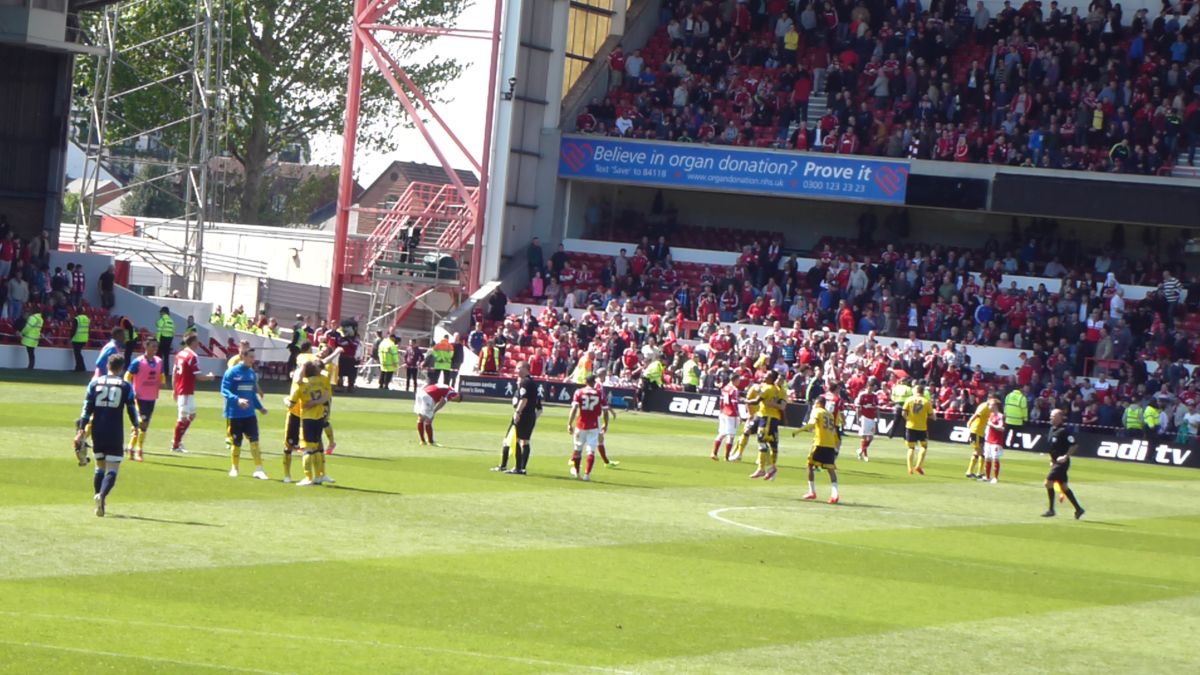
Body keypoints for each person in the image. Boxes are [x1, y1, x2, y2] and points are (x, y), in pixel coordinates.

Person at [74, 355, 142, 517]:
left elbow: (87, 407)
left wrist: (82, 428)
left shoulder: (95, 383)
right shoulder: (125, 386)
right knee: (113, 468)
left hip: (97, 429)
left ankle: (100, 503)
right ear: (121, 368)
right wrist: (136, 425)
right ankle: (101, 496)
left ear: (108, 366)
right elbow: (131, 407)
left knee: (99, 466)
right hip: (114, 430)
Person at [222, 347, 269, 479]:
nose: (253, 360)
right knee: (236, 442)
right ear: (243, 356)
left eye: (254, 357)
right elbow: (224, 390)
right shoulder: (231, 372)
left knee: (255, 441)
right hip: (235, 414)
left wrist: (260, 407)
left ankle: (259, 469)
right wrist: (237, 400)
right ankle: (234, 468)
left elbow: (252, 394)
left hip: (249, 414)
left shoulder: (251, 374)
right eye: (251, 357)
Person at [283, 360, 330, 486]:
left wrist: (285, 401)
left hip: (307, 418)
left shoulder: (301, 386)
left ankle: (308, 477)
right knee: (316, 447)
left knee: (307, 449)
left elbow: (291, 403)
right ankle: (319, 475)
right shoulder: (320, 382)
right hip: (319, 416)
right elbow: (326, 396)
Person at [171, 334, 214, 453]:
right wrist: (210, 377)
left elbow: (174, 372)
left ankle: (178, 441)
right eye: (197, 341)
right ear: (192, 342)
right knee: (183, 418)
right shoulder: (192, 356)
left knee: (192, 415)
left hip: (184, 390)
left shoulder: (180, 354)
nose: (198, 343)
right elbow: (199, 376)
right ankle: (175, 444)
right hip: (185, 390)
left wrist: (174, 389)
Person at [794, 395, 841, 504]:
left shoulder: (817, 411)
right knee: (831, 470)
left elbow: (811, 425)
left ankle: (812, 492)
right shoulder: (830, 414)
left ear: (819, 403)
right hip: (830, 445)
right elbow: (834, 432)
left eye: (815, 402)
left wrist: (799, 430)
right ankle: (835, 494)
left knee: (809, 465)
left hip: (820, 443)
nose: (814, 404)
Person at [124, 339, 165, 462]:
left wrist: (162, 382)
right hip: (139, 397)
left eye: (156, 347)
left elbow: (161, 375)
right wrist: (130, 389)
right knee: (141, 422)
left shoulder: (159, 361)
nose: (155, 349)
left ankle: (132, 448)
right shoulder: (138, 362)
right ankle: (137, 450)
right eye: (152, 346)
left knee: (144, 425)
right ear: (146, 347)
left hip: (151, 397)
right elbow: (127, 376)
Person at [1042, 408, 1085, 519]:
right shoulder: (1052, 429)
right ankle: (1078, 509)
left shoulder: (1064, 431)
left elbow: (1074, 445)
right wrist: (1052, 459)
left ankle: (1051, 509)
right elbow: (1052, 447)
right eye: (1051, 416)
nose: (1051, 417)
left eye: (1053, 416)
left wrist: (1066, 456)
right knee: (1063, 486)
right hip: (1056, 462)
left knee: (1048, 483)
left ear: (1060, 418)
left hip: (1062, 463)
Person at [567, 374, 609, 481]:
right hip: (594, 425)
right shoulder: (599, 393)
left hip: (581, 424)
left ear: (585, 381)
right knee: (591, 450)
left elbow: (574, 408)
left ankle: (577, 473)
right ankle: (587, 474)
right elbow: (605, 410)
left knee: (578, 449)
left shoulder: (579, 392)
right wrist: (606, 424)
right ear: (594, 382)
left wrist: (569, 423)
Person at [749, 371, 787, 481]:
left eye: (781, 380)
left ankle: (768, 468)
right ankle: (766, 468)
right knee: (767, 442)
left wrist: (772, 404)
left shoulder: (780, 391)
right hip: (762, 416)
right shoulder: (769, 387)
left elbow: (782, 406)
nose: (779, 381)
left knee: (766, 443)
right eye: (778, 379)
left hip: (769, 418)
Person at [505, 362, 541, 475]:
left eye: (519, 368)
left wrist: (517, 412)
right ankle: (522, 467)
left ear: (526, 369)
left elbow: (524, 400)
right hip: (530, 415)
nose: (517, 370)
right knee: (525, 441)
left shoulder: (525, 382)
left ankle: (518, 467)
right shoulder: (532, 382)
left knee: (515, 439)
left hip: (524, 415)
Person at [414, 381, 460, 446]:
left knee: (421, 418)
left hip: (421, 393)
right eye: (457, 400)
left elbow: (435, 387)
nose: (453, 400)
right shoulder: (453, 393)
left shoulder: (447, 387)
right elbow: (442, 402)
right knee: (429, 419)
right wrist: (434, 411)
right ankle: (430, 442)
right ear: (458, 395)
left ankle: (422, 441)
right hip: (428, 396)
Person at [903, 383, 933, 476]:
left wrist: (908, 420)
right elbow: (932, 415)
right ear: (922, 392)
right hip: (922, 427)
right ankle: (918, 465)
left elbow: (903, 413)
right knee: (924, 446)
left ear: (916, 391)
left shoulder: (909, 399)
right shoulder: (926, 402)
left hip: (910, 426)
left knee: (911, 448)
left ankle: (909, 468)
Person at [713, 372, 743, 461]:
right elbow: (734, 403)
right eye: (739, 380)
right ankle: (727, 457)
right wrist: (738, 415)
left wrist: (721, 410)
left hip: (723, 413)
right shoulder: (734, 390)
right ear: (735, 380)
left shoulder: (725, 388)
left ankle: (714, 453)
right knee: (731, 435)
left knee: (722, 433)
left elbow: (721, 401)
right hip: (731, 414)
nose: (739, 381)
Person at [964, 396, 992, 478]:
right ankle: (972, 472)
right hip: (976, 431)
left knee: (981, 452)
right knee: (978, 452)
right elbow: (976, 415)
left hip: (981, 432)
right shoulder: (984, 406)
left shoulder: (989, 408)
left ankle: (977, 472)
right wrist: (969, 422)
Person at [854, 380, 880, 462]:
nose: (870, 390)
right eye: (869, 388)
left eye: (872, 388)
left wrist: (878, 417)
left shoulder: (874, 396)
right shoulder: (862, 395)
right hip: (864, 417)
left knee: (871, 437)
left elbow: (877, 407)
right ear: (867, 387)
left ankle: (860, 450)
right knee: (864, 436)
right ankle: (865, 454)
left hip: (871, 418)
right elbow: (858, 407)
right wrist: (858, 418)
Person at [982, 398, 1005, 484]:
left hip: (996, 440)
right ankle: (987, 477)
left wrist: (992, 425)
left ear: (995, 406)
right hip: (989, 440)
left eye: (990, 405)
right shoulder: (991, 415)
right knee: (987, 458)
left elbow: (1002, 428)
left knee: (995, 458)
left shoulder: (1000, 416)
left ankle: (995, 477)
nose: (989, 406)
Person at [155, 307, 175, 382]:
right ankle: (166, 374)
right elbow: (173, 332)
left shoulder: (162, 319)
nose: (160, 314)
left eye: (161, 312)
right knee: (166, 357)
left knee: (158, 356)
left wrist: (157, 340)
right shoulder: (171, 321)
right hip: (169, 340)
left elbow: (159, 331)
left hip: (162, 339)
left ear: (163, 312)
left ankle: (157, 372)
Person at [70, 306, 90, 372]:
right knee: (78, 353)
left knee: (77, 354)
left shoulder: (77, 319)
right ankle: (79, 367)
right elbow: (89, 329)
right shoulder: (87, 319)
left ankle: (80, 367)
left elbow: (73, 330)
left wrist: (70, 338)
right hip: (84, 339)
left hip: (77, 339)